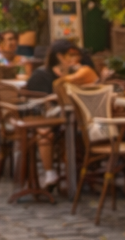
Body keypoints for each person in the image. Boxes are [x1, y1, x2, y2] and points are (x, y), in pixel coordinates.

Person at [23, 40, 99, 189]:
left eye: (77, 55)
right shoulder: (42, 75)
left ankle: (86, 171)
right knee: (45, 132)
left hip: (76, 116)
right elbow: (38, 105)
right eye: (70, 55)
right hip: (49, 116)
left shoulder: (80, 72)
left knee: (91, 127)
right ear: (59, 56)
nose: (75, 58)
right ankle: (50, 172)